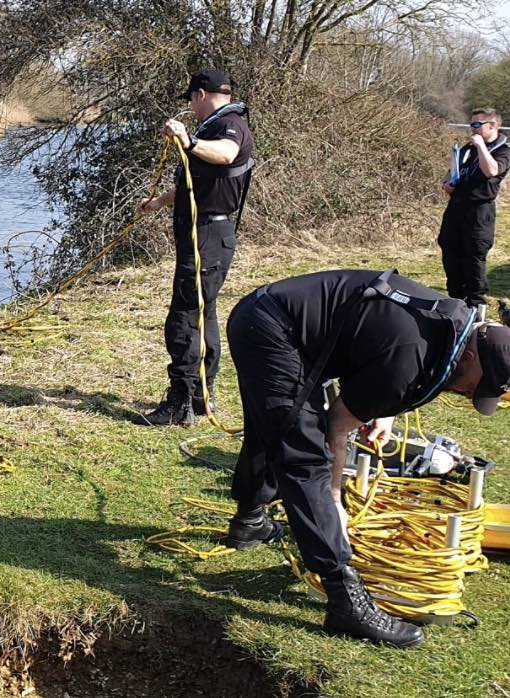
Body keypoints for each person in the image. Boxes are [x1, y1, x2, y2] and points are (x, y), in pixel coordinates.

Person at [223, 268, 510, 648]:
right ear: (470, 355)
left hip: (278, 320)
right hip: (273, 328)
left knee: (273, 425)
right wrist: (335, 501)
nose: (471, 393)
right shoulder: (414, 354)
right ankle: (345, 597)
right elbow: (337, 428)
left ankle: (249, 521)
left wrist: (382, 411)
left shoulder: (449, 325)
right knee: (303, 454)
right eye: (478, 384)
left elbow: (380, 349)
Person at [136, 69, 255, 425]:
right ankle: (202, 396)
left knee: (185, 315)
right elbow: (198, 181)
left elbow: (226, 154)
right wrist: (159, 202)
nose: (191, 106)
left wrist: (188, 140)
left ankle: (180, 402)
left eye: (191, 99)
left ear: (201, 94)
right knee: (204, 312)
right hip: (205, 234)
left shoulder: (230, 126)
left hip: (208, 235)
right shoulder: (216, 125)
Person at [439, 108, 510, 308]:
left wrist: (480, 146)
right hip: (456, 208)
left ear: (493, 125)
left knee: (474, 257)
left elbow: (491, 171)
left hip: (479, 211)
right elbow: (451, 173)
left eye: (477, 124)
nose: (473, 128)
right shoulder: (467, 149)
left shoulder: (503, 151)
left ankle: (476, 306)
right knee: (450, 251)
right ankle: (455, 301)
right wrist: (447, 184)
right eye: (471, 124)